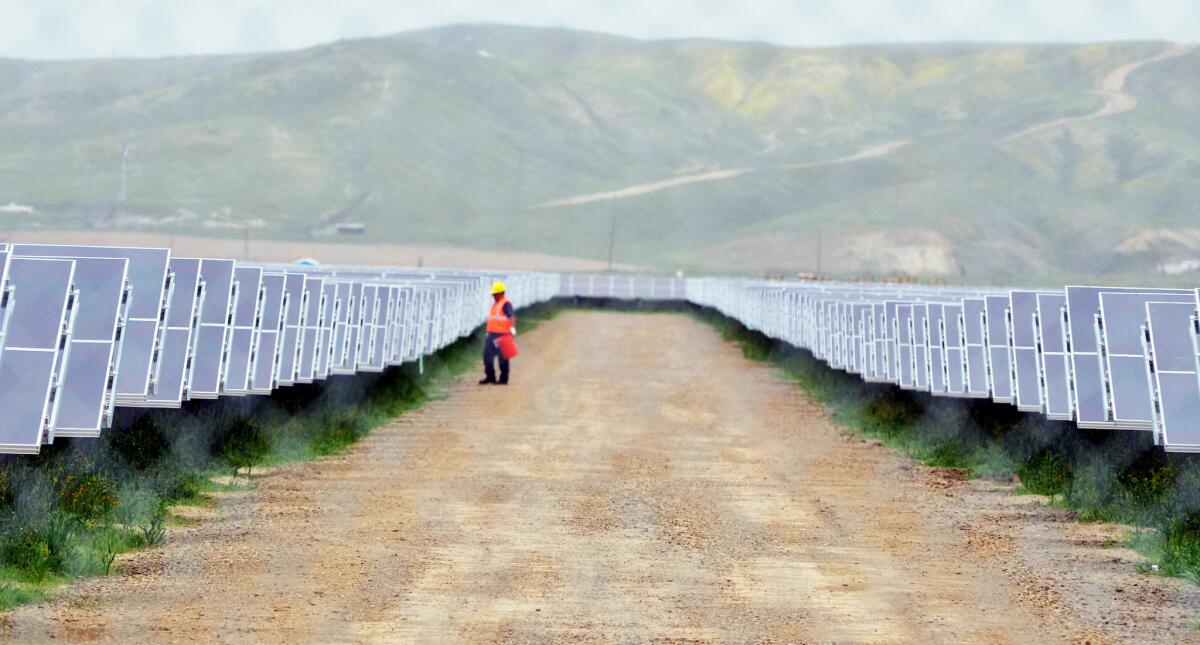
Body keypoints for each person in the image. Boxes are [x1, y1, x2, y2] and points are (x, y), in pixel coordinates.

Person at [480, 280, 516, 385]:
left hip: (503, 335)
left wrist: (512, 329)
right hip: (492, 334)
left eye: (494, 294)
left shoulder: (506, 304)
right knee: (487, 355)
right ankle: (490, 376)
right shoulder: (496, 304)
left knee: (503, 358)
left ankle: (503, 379)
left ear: (500, 293)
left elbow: (512, 316)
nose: (493, 296)